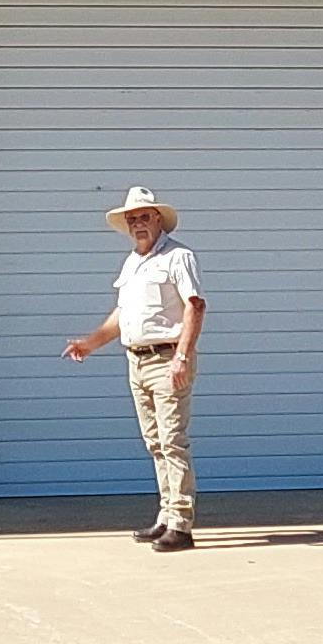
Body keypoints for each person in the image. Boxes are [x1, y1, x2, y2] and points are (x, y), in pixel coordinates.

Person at [62, 185, 204, 550]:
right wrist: (90, 343)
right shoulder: (132, 263)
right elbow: (123, 314)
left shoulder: (178, 257)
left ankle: (181, 524)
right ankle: (166, 516)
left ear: (158, 219)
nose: (138, 224)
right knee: (155, 443)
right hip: (137, 361)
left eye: (144, 217)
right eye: (132, 219)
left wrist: (182, 356)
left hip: (167, 359)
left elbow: (195, 306)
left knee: (173, 442)